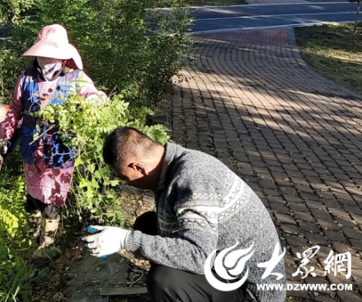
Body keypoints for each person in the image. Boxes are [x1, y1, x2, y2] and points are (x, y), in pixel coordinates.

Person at [82, 127, 286, 302]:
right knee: (148, 225)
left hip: (252, 291)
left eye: (124, 177)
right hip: (223, 261)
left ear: (139, 167)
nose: (126, 183)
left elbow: (198, 255)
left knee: (165, 281)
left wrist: (126, 239)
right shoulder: (172, 163)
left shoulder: (193, 178)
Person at [0, 23, 107, 260]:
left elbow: (95, 97)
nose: (46, 61)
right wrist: (4, 135)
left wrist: (95, 102)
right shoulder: (26, 78)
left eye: (51, 56)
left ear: (62, 57)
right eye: (42, 56)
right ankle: (31, 235)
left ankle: (47, 245)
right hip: (31, 147)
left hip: (60, 149)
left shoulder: (76, 79)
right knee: (32, 196)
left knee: (51, 198)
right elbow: (15, 109)